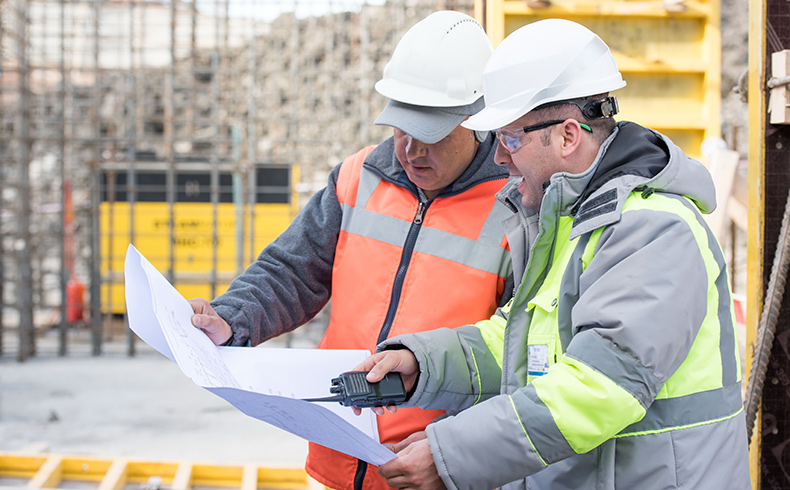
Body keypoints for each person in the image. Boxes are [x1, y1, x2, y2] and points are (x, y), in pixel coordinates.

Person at [355, 18, 751, 490]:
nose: (499, 158)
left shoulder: (654, 229)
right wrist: (424, 363)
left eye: (511, 138)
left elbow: (598, 388)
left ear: (566, 136)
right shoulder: (568, 220)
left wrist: (450, 455)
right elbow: (518, 344)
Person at [188, 10, 514, 490]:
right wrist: (231, 318)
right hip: (338, 455)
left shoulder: (518, 209)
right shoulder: (357, 178)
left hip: (432, 468)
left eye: (430, 134)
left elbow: (519, 353)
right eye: (402, 127)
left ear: (476, 118)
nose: (411, 149)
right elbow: (291, 274)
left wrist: (453, 450)